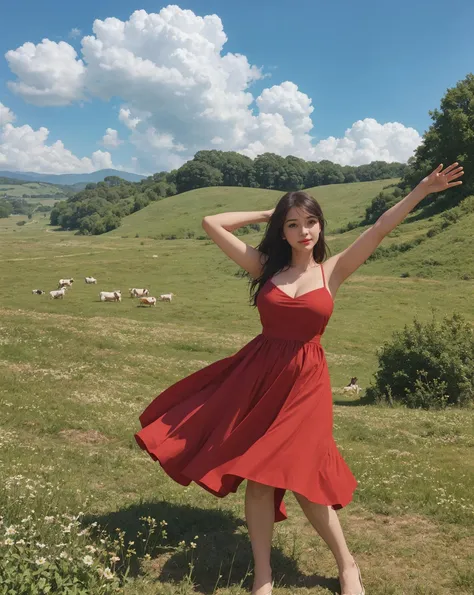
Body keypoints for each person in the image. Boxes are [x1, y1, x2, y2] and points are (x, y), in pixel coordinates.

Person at [135, 162, 463, 595]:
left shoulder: (334, 270)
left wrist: (422, 190)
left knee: (306, 478)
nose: (303, 231)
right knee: (258, 476)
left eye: (310, 222)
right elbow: (211, 222)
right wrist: (264, 213)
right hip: (259, 377)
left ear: (320, 226)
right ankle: (263, 576)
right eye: (292, 224)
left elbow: (382, 228)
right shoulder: (265, 267)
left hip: (307, 383)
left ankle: (348, 566)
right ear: (283, 231)